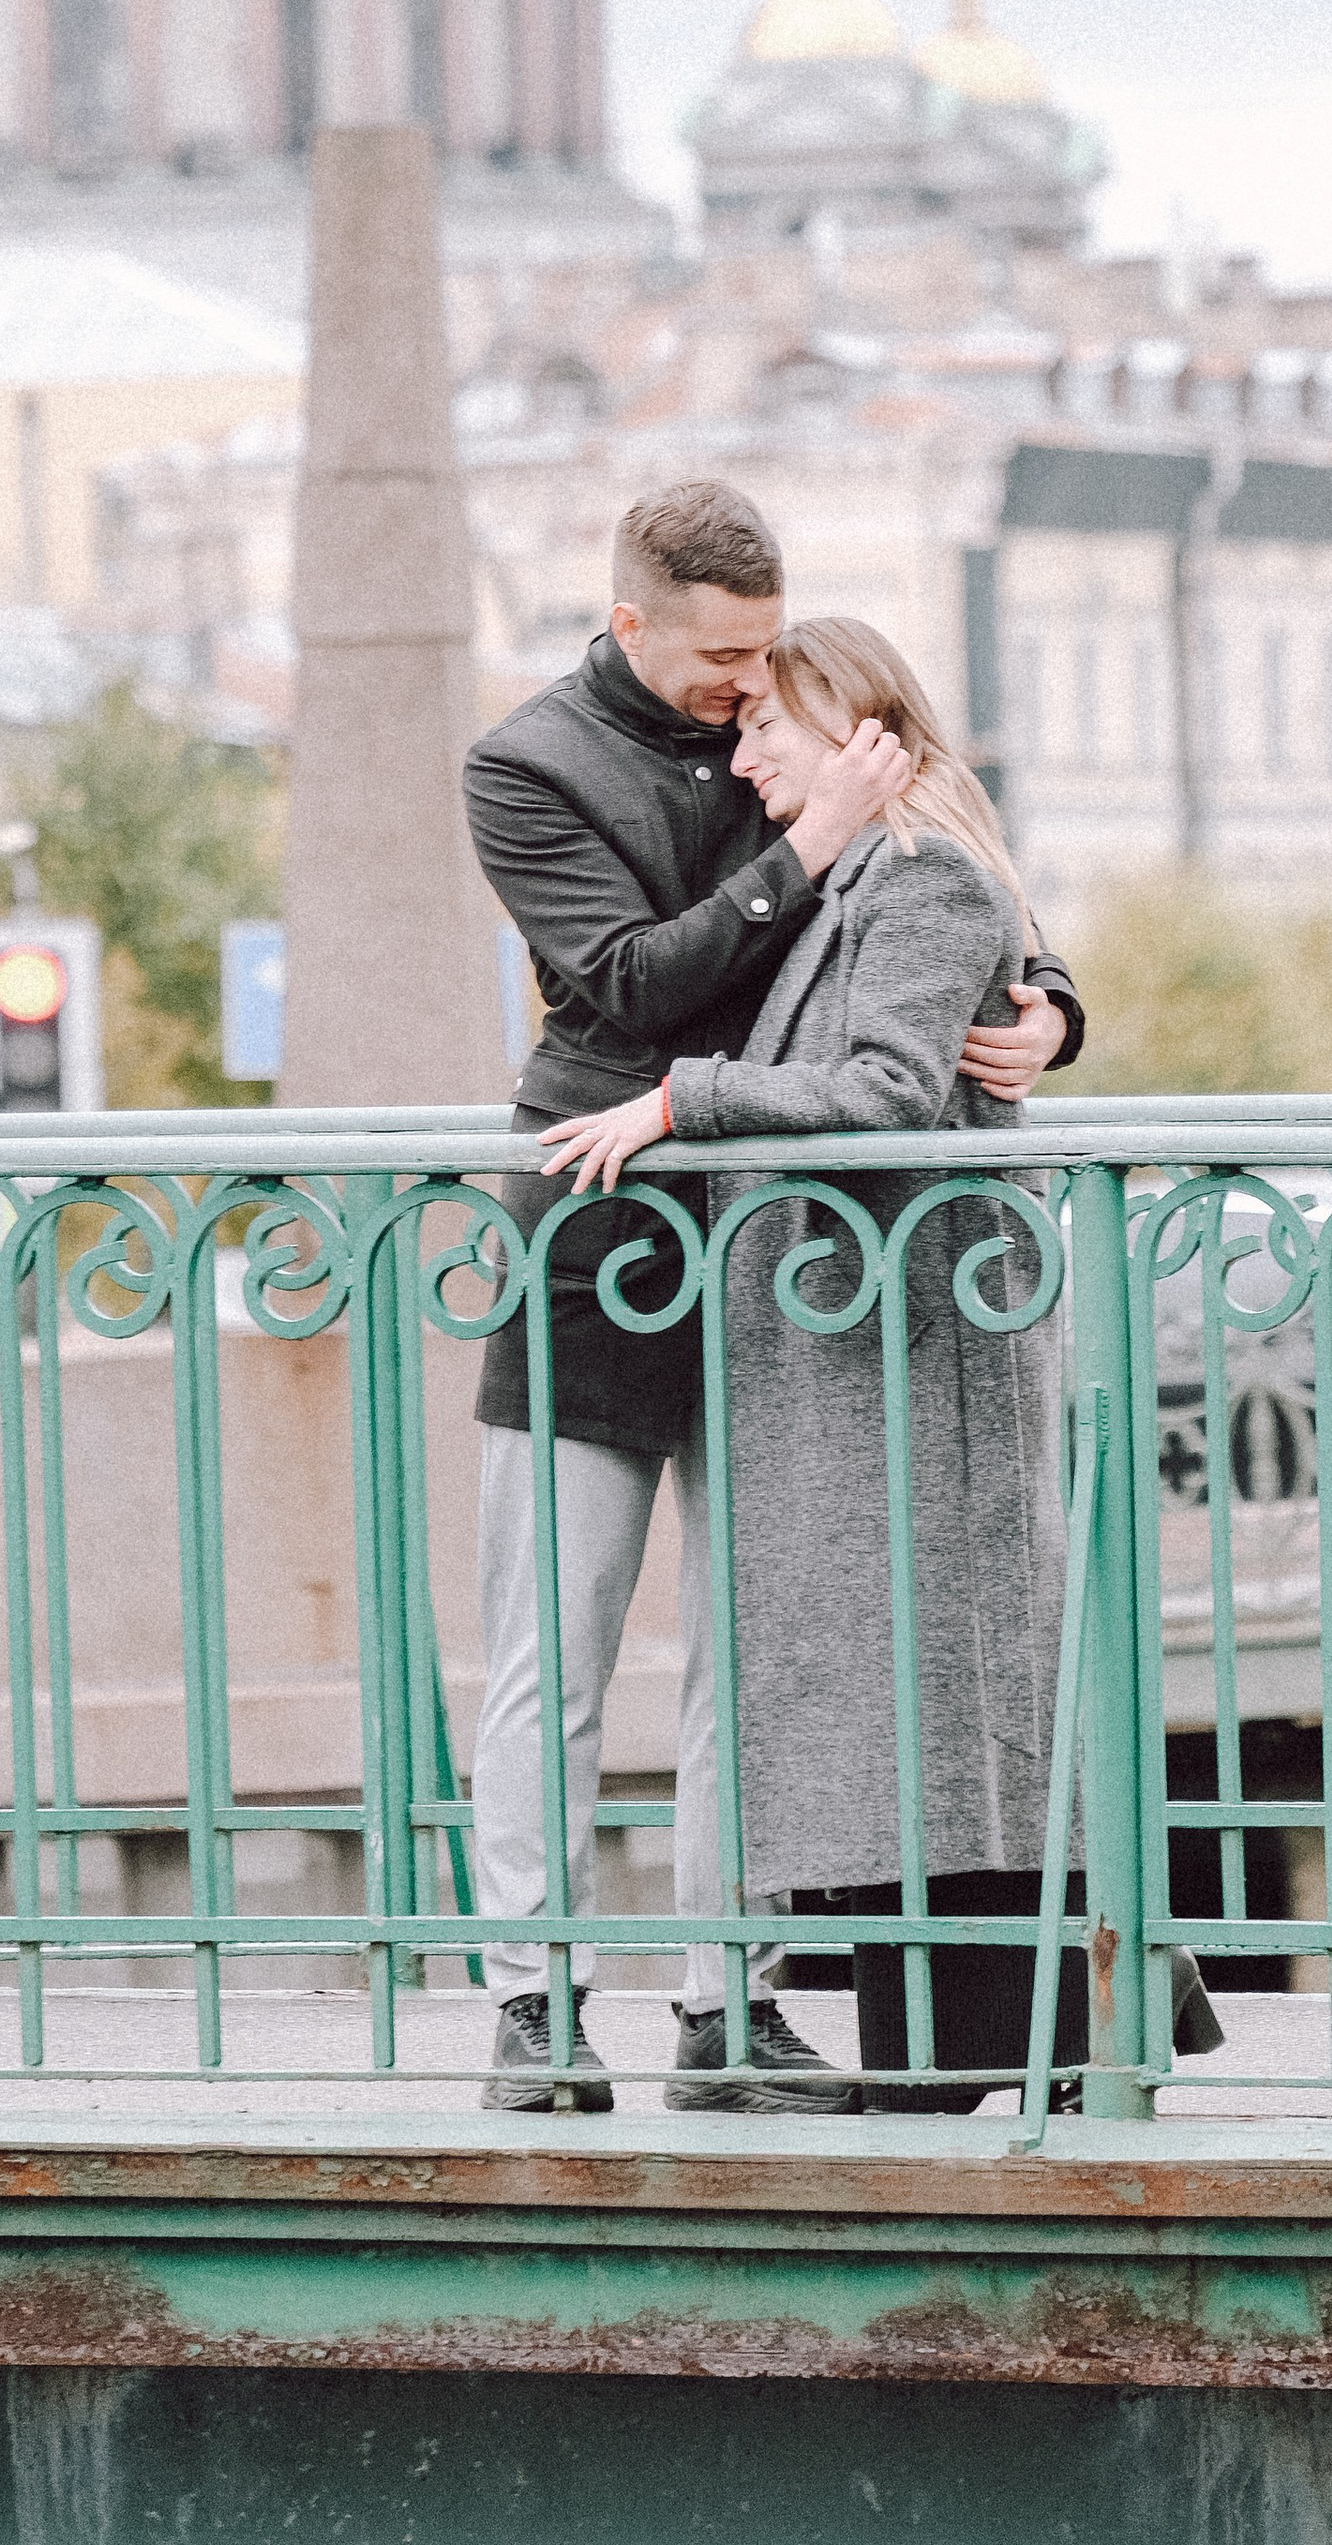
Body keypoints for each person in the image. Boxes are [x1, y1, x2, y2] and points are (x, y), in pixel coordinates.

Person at [461, 481, 1084, 2114]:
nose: (749, 695)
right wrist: (800, 844)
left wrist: (1050, 1010)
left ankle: (725, 2004)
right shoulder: (524, 769)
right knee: (560, 1643)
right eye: (721, 658)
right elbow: (634, 989)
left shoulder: (801, 729)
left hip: (783, 1265)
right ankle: (531, 2007)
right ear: (631, 626)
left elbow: (934, 882)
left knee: (753, 1655)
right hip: (600, 1225)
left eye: (766, 657)